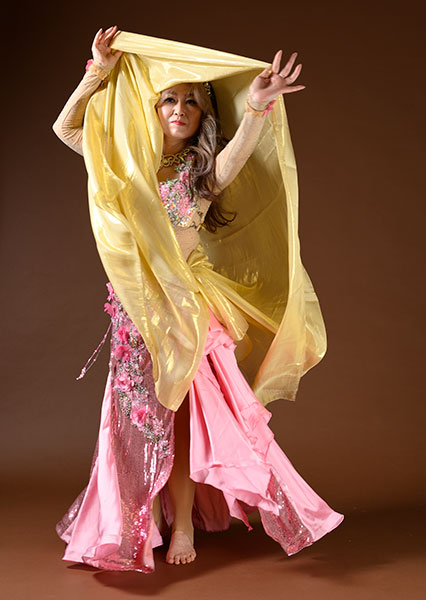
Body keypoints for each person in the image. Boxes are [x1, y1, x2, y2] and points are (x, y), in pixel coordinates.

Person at [53, 26, 344, 573]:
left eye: (192, 100)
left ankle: (184, 522)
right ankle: (136, 524)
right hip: (136, 312)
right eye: (170, 99)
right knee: (138, 419)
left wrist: (256, 106)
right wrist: (98, 71)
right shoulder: (124, 165)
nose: (181, 109)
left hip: (188, 308)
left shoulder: (199, 172)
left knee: (186, 417)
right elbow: (66, 128)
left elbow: (234, 158)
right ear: (152, 106)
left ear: (202, 112)